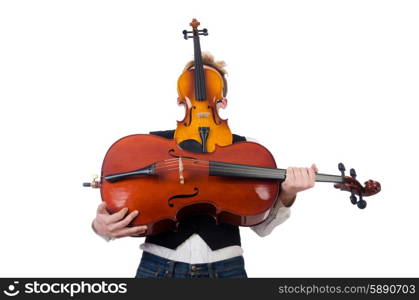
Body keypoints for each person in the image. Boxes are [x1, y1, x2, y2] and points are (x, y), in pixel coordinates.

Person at [92, 53, 317, 278]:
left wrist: (287, 194)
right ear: (181, 101)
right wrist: (100, 227)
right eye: (193, 98)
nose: (201, 107)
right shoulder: (152, 146)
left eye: (210, 98)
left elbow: (263, 227)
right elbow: (120, 202)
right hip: (158, 267)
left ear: (223, 102)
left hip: (227, 270)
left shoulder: (248, 151)